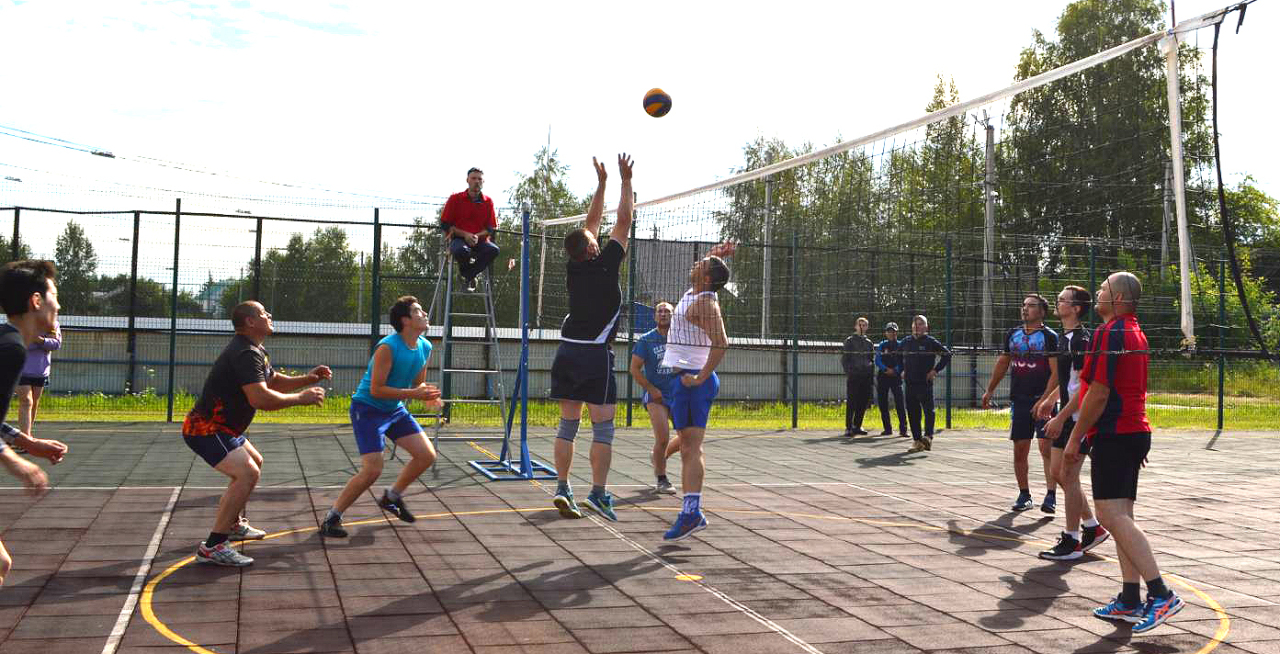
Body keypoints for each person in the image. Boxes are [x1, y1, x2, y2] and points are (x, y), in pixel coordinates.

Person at [1066, 272, 1181, 633]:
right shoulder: (1134, 330)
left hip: (1117, 433)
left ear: (1117, 298)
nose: (1097, 293)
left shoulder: (1110, 332)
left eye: (1102, 289)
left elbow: (1098, 393)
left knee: (1112, 517)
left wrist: (1075, 439)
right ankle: (1130, 599)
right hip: (1131, 432)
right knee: (1120, 516)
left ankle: (1160, 594)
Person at [182, 300, 330, 566]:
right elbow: (260, 398)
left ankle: (234, 523)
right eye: (263, 313)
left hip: (226, 428)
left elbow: (272, 381)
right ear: (250, 322)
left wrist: (309, 379)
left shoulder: (254, 350)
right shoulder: (245, 353)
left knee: (255, 463)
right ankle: (213, 546)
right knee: (247, 472)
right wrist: (301, 398)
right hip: (206, 428)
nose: (269, 315)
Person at [550, 154, 634, 522]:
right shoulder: (606, 262)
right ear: (593, 248)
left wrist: (601, 185)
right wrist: (625, 180)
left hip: (567, 351)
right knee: (603, 425)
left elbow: (591, 223)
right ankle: (598, 494)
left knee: (568, 424)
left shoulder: (575, 264)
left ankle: (563, 486)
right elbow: (623, 220)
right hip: (596, 355)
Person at [320, 296, 441, 538]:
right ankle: (332, 518)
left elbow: (418, 382)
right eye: (418, 310)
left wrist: (427, 395)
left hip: (393, 409)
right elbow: (376, 389)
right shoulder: (388, 347)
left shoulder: (424, 346)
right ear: (405, 320)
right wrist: (414, 393)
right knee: (372, 470)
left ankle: (391, 496)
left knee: (426, 455)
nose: (425, 313)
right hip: (367, 409)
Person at [0, 260, 72, 584]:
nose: (59, 304)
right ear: (36, 301)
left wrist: (26, 442)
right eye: (54, 295)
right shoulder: (10, 350)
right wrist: (20, 464)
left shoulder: (9, 343)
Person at [662, 241, 736, 542]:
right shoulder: (696, 291)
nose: (695, 264)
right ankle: (691, 511)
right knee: (688, 448)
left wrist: (701, 376)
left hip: (693, 381)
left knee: (692, 448)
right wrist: (717, 255)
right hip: (682, 379)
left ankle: (691, 512)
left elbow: (721, 343)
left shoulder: (706, 303)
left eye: (701, 265)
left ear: (706, 279)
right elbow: (708, 268)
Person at [1039, 285, 1109, 560]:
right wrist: (1050, 399)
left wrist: (1061, 416)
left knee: (1068, 476)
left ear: (1076, 308)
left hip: (1080, 418)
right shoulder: (1064, 338)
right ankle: (1093, 527)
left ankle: (1072, 540)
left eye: (1062, 300)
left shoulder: (1081, 341)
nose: (1058, 303)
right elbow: (1071, 381)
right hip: (1068, 413)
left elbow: (1086, 387)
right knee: (1058, 473)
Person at [982, 294, 1060, 513]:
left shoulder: (1049, 337)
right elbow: (1003, 362)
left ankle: (1051, 495)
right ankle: (1024, 494)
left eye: (1031, 306)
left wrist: (1045, 400)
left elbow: (1057, 373)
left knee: (1046, 447)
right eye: (1024, 305)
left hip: (1042, 401)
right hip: (1020, 400)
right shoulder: (1012, 334)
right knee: (1020, 449)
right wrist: (990, 390)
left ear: (1042, 312)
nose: (1025, 309)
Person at [628, 300, 681, 494]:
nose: (663, 314)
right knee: (663, 437)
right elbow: (634, 369)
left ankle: (659, 456)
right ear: (654, 316)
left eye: (667, 311)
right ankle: (662, 479)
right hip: (656, 396)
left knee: (688, 437)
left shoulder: (680, 338)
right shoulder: (646, 340)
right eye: (660, 311)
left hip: (678, 394)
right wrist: (651, 389)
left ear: (673, 316)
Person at [441, 167, 500, 292]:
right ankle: (470, 275)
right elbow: (445, 224)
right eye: (473, 178)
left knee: (494, 250)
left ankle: (467, 275)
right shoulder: (455, 199)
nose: (477, 181)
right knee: (460, 250)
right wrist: (465, 235)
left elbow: (491, 228)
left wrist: (477, 236)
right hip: (458, 239)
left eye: (480, 179)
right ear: (467, 180)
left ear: (483, 182)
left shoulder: (488, 202)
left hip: (480, 241)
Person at [902, 315, 950, 453]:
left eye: (920, 324)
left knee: (929, 411)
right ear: (912, 327)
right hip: (910, 383)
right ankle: (917, 441)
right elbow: (896, 355)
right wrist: (901, 369)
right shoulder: (906, 342)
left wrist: (935, 370)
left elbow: (947, 355)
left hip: (925, 383)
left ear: (926, 327)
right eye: (915, 324)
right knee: (912, 412)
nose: (917, 326)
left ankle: (928, 437)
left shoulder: (930, 342)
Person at [17, 321, 60, 439]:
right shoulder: (22, 321)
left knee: (34, 402)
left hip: (40, 371)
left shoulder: (52, 324)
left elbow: (55, 344)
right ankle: (25, 438)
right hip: (21, 369)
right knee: (26, 401)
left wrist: (40, 340)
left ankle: (27, 433)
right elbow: (22, 343)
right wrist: (44, 342)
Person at [841, 316, 875, 436]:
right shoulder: (850, 341)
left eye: (864, 325)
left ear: (867, 327)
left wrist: (871, 376)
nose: (862, 327)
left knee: (863, 402)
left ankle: (857, 426)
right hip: (854, 375)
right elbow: (845, 359)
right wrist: (849, 372)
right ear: (855, 326)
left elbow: (871, 359)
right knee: (852, 402)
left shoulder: (869, 343)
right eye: (860, 324)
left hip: (865, 376)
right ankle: (848, 427)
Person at [875, 322, 908, 437]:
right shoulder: (882, 345)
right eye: (889, 331)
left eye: (893, 331)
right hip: (883, 376)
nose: (891, 333)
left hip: (896, 377)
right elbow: (877, 360)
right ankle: (887, 429)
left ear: (897, 332)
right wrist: (885, 369)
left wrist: (895, 370)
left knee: (900, 403)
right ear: (886, 333)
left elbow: (904, 360)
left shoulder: (901, 345)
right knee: (883, 403)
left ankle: (903, 430)